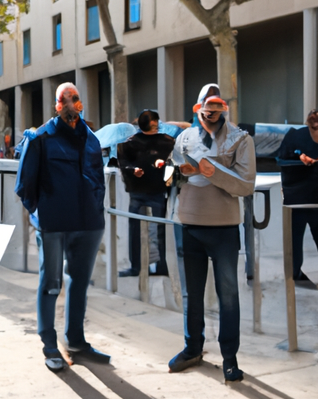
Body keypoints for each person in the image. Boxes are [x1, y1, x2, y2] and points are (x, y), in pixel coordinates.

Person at [15, 82, 110, 372]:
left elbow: (98, 178)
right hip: (54, 224)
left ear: (81, 103)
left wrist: (95, 209)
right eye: (63, 99)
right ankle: (49, 345)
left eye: (75, 98)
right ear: (56, 105)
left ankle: (77, 342)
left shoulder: (92, 138)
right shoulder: (40, 137)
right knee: (51, 284)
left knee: (80, 283)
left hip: (89, 223)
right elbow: (24, 185)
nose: (70, 103)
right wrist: (43, 214)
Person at [169, 84, 256, 382]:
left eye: (216, 110)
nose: (212, 116)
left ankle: (229, 358)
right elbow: (173, 172)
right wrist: (174, 172)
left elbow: (246, 185)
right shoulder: (184, 137)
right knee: (191, 293)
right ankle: (192, 347)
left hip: (224, 228)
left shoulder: (240, 139)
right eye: (207, 110)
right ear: (198, 109)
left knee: (228, 295)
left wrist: (211, 170)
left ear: (223, 110)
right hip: (189, 225)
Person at [117, 109, 175, 277]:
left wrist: (162, 166)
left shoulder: (165, 142)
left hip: (151, 190)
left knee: (154, 230)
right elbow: (124, 163)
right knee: (150, 229)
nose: (155, 127)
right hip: (146, 190)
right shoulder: (133, 143)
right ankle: (144, 265)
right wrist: (132, 170)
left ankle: (152, 265)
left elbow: (174, 161)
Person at [277, 109, 318, 287]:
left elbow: (281, 158)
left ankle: (295, 274)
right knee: (294, 241)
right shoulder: (296, 135)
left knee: (296, 241)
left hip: (305, 200)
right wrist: (300, 157)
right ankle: (295, 274)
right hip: (299, 199)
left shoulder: (296, 135)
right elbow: (281, 158)